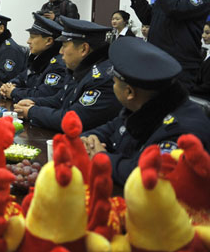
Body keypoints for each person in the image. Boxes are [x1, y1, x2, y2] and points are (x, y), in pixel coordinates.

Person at [80, 37, 210, 187]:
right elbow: (110, 129)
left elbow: (147, 176)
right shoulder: (145, 104)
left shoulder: (181, 131)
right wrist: (86, 141)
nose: (112, 86)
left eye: (114, 82)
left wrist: (102, 159)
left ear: (129, 92)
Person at [14, 16, 121, 131]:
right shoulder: (80, 69)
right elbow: (60, 99)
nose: (60, 51)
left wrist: (32, 112)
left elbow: (73, 119)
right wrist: (34, 102)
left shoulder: (101, 78)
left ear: (83, 49)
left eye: (64, 46)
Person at [129, 0, 210, 89]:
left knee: (173, 103)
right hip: (155, 61)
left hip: (179, 67)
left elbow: (176, 8)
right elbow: (149, 18)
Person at [0, 13, 69, 102]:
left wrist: (13, 92)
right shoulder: (38, 58)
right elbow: (22, 77)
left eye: (32, 37)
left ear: (48, 41)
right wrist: (9, 85)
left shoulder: (58, 65)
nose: (28, 41)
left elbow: (42, 95)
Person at [191, 21, 210, 100]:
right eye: (203, 32)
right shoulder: (203, 53)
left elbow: (207, 86)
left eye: (207, 33)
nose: (203, 35)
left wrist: (189, 88)